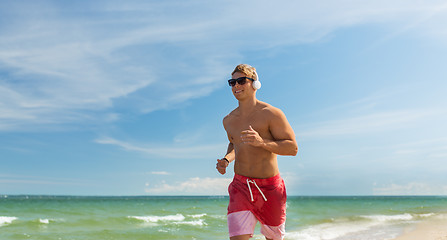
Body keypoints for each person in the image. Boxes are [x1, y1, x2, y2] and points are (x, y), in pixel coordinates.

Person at [216, 64, 298, 240]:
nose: (236, 86)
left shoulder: (271, 114)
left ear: (255, 84)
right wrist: (226, 160)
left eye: (241, 81)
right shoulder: (228, 120)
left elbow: (292, 148)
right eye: (232, 82)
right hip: (240, 187)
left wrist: (262, 142)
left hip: (270, 188)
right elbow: (235, 144)